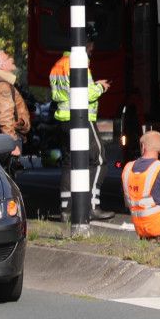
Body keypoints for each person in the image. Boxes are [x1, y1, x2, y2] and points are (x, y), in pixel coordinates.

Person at [49, 39, 109, 212]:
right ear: (85, 45)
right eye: (91, 45)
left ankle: (66, 209)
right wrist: (101, 87)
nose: (93, 49)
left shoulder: (58, 64)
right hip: (81, 117)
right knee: (98, 160)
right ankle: (92, 205)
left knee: (69, 163)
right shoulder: (78, 63)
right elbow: (86, 93)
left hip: (64, 119)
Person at [0, 50, 33, 154]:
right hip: (8, 140)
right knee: (9, 170)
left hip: (3, 138)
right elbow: (5, 117)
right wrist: (11, 145)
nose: (11, 59)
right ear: (2, 65)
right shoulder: (2, 86)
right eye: (7, 58)